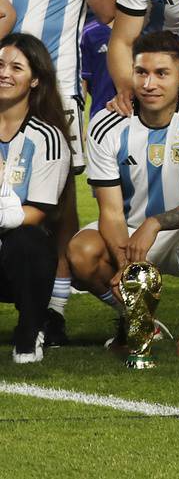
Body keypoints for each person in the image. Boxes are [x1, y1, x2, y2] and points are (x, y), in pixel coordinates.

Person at [0, 0, 116, 346]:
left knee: (61, 198)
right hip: (2, 72)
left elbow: (109, 9)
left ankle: (55, 308)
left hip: (58, 78)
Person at [70, 33, 179, 358]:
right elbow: (112, 212)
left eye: (162, 73)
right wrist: (125, 268)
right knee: (80, 253)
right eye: (141, 72)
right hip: (128, 231)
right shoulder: (106, 123)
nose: (149, 83)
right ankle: (137, 317)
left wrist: (156, 223)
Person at [0, 33, 71, 363]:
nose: (4, 73)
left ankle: (28, 333)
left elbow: (38, 213)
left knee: (28, 240)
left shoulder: (48, 137)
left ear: (35, 79)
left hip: (16, 254)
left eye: (16, 67)